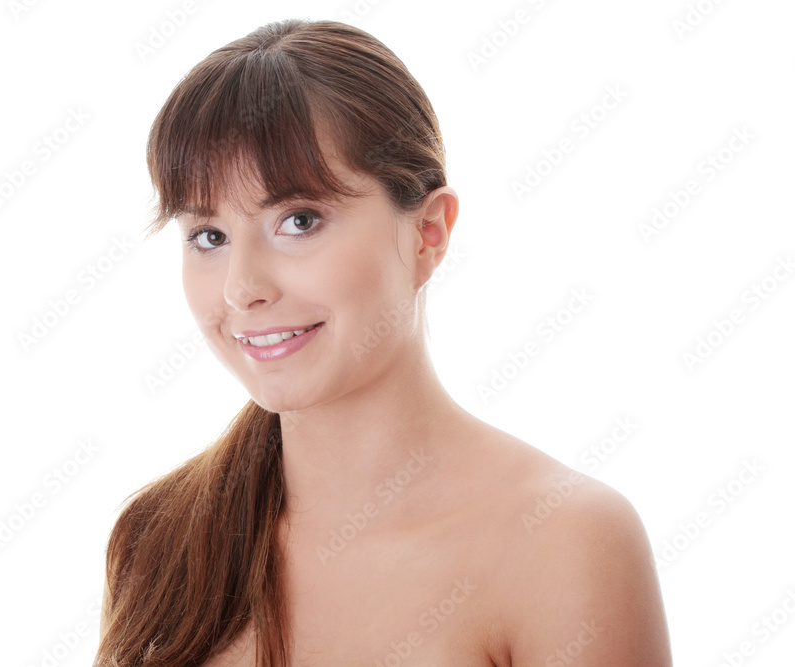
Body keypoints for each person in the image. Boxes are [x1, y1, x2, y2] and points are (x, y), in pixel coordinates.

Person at [95, 18, 673, 667]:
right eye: (209, 236)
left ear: (428, 234)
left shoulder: (565, 542)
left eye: (299, 220)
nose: (242, 289)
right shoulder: (157, 539)